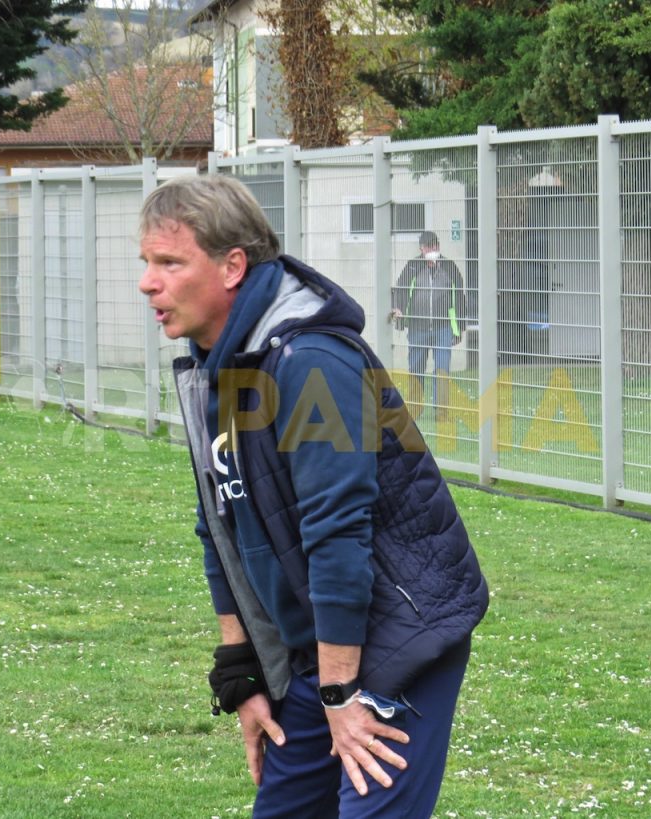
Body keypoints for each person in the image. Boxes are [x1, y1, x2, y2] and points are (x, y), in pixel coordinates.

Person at [138, 175, 488, 818]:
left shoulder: (311, 362)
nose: (148, 283)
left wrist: (340, 697)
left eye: (169, 262)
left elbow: (337, 538)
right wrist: (240, 670)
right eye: (147, 264)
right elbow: (218, 526)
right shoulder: (216, 367)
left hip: (398, 636)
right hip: (320, 651)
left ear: (231, 266)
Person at [391, 232, 466, 420]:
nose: (432, 249)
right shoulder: (413, 266)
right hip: (418, 328)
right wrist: (398, 311)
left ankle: (441, 412)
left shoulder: (449, 267)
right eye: (427, 247)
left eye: (434, 246)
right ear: (421, 249)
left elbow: (459, 297)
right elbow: (400, 289)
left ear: (438, 246)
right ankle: (415, 408)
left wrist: (459, 328)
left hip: (443, 328)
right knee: (416, 368)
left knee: (442, 369)